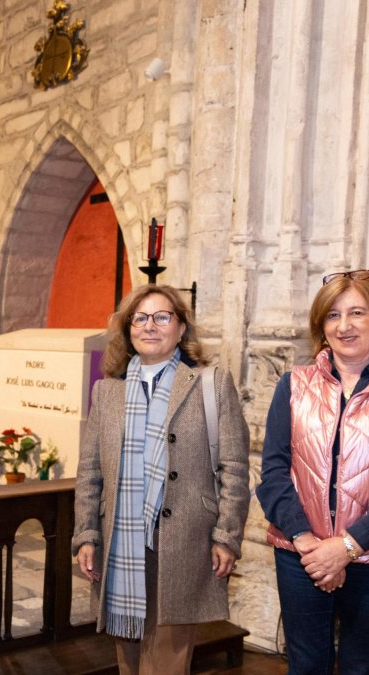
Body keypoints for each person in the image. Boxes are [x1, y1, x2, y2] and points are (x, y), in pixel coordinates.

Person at [256, 270, 369, 674]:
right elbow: (273, 471)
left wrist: (343, 548)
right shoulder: (293, 384)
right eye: (333, 315)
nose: (344, 325)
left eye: (357, 312)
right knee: (306, 666)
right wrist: (308, 543)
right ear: (321, 328)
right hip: (300, 554)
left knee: (364, 668)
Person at [72, 284, 250, 675]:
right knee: (129, 662)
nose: (149, 326)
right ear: (128, 329)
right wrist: (85, 534)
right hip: (121, 544)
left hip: (184, 542)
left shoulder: (210, 384)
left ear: (182, 328)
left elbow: (235, 467)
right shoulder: (107, 392)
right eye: (140, 318)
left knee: (166, 664)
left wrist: (227, 535)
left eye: (162, 317)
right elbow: (90, 471)